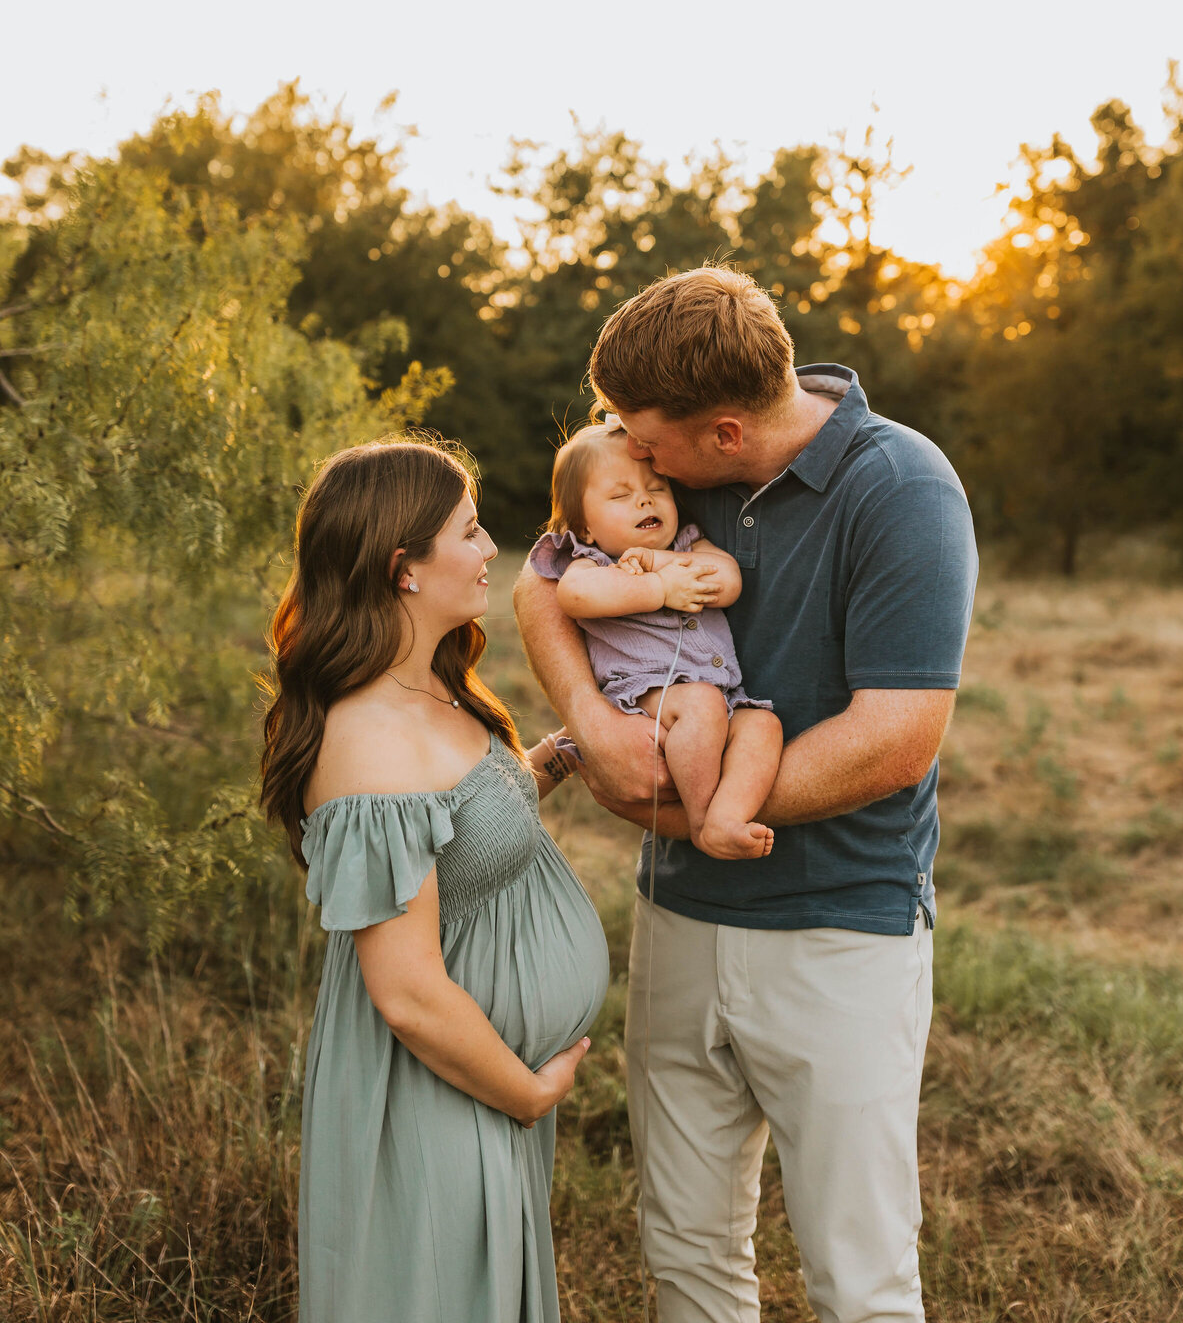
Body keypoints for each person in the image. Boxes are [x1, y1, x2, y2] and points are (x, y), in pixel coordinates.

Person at [513, 268, 978, 1323]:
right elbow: (541, 584)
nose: (633, 454)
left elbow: (896, 736)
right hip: (680, 915)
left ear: (724, 434)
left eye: (648, 440)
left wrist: (683, 808)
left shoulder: (900, 488)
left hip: (840, 926)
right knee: (688, 1259)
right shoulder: (669, 469)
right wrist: (591, 721)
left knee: (858, 1280)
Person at [260, 438, 609, 1323]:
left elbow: (457, 827)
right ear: (402, 566)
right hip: (434, 1088)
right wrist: (526, 1091)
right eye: (471, 529)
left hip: (475, 1082)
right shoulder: (368, 738)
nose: (494, 547)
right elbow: (408, 992)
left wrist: (557, 758)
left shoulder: (429, 689)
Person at [528, 417, 782, 858]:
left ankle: (727, 813)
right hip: (643, 695)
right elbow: (575, 596)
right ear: (585, 527)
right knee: (701, 705)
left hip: (721, 695)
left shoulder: (689, 544)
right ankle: (700, 820)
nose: (643, 499)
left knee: (763, 725)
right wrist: (658, 589)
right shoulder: (590, 563)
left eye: (656, 489)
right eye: (621, 495)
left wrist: (660, 562)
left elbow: (728, 580)